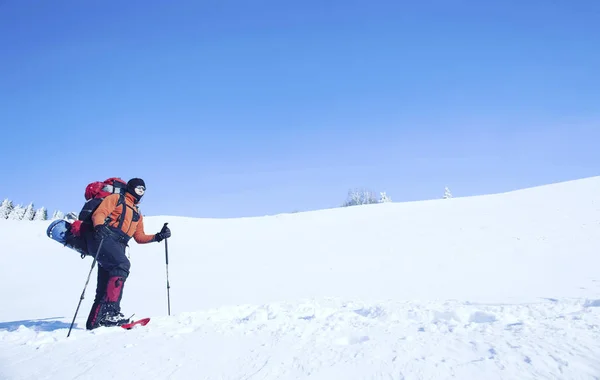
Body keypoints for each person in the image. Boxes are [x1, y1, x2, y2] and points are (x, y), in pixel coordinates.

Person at [84, 178, 171, 329]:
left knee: (105, 284)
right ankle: (111, 313)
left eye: (143, 190)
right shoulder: (116, 198)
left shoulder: (137, 213)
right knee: (122, 265)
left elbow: (139, 237)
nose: (141, 192)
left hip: (120, 245)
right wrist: (99, 226)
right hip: (105, 237)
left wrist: (158, 236)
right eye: (138, 189)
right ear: (131, 188)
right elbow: (100, 213)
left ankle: (94, 324)